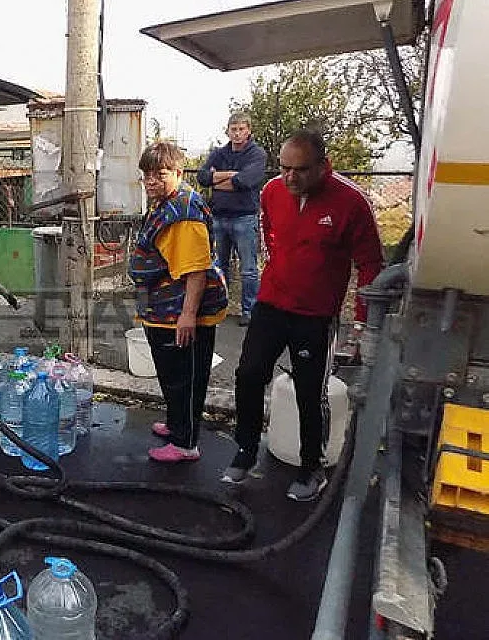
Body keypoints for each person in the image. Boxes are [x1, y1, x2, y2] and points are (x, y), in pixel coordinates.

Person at [222, 129, 383, 501]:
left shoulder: (351, 202)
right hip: (271, 303)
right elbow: (269, 232)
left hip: (315, 315)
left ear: (323, 166)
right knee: (248, 374)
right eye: (284, 168)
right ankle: (246, 449)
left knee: (310, 393)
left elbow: (371, 265)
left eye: (301, 170)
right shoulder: (272, 192)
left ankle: (312, 468)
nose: (290, 178)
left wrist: (361, 322)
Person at [128, 141, 228, 463]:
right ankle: (175, 424)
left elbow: (196, 270)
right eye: (147, 174)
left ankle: (186, 443)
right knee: (171, 374)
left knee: (186, 377)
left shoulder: (184, 213)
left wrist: (187, 316)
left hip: (180, 311)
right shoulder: (164, 202)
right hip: (162, 306)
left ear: (179, 172)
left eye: (161, 174)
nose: (152, 181)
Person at [196, 112, 267, 326]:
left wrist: (218, 179)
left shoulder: (257, 154)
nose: (237, 133)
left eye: (241, 129)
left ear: (249, 131)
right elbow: (202, 177)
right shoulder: (219, 152)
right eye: (233, 129)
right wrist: (231, 176)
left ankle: (249, 310)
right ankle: (220, 308)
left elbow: (246, 181)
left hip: (244, 218)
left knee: (249, 269)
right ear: (227, 131)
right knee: (219, 267)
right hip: (219, 216)